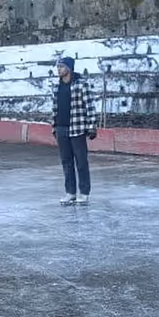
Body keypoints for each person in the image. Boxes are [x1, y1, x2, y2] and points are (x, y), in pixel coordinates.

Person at [52, 56, 97, 206]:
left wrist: (91, 126)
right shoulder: (56, 87)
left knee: (81, 162)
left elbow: (90, 106)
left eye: (62, 67)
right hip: (61, 129)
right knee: (66, 162)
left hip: (77, 129)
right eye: (58, 67)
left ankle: (84, 193)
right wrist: (54, 126)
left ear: (69, 68)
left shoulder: (81, 85)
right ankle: (70, 192)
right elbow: (55, 109)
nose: (59, 69)